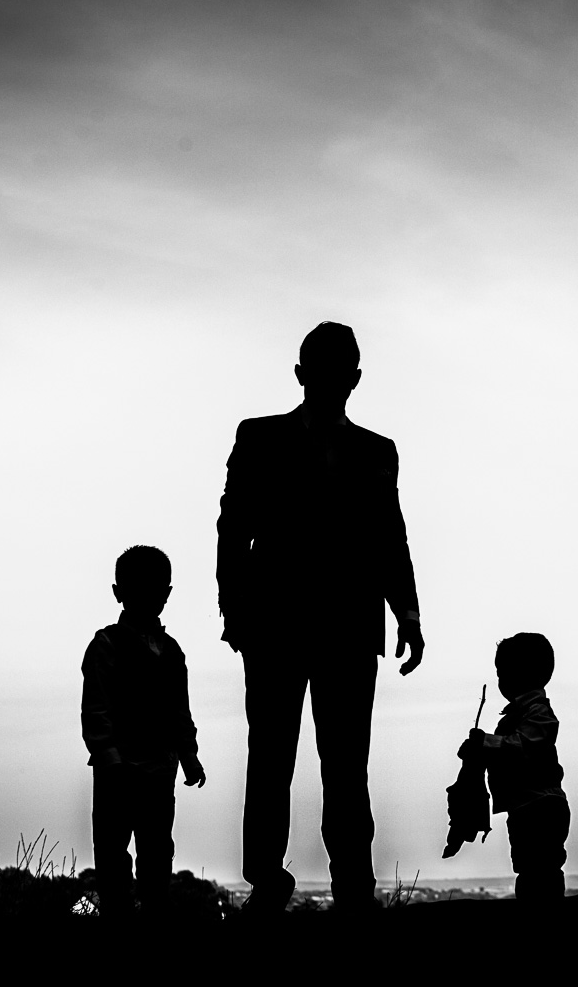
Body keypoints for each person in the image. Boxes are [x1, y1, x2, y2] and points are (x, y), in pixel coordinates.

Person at [217, 321, 424, 912]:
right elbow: (234, 527)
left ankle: (353, 886)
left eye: (341, 371)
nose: (333, 381)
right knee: (272, 758)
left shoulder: (377, 451)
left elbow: (391, 537)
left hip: (349, 627)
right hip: (276, 625)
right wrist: (235, 607)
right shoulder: (258, 438)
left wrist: (406, 612)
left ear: (353, 379)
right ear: (303, 374)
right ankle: (267, 879)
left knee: (345, 763)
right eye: (324, 369)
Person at [81, 545, 206, 921]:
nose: (153, 598)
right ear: (120, 593)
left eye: (159, 590)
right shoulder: (106, 645)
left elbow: (179, 711)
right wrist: (109, 757)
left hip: (158, 770)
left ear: (167, 594)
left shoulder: (171, 652)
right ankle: (118, 915)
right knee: (112, 851)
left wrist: (188, 755)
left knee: (156, 850)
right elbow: (96, 708)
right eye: (142, 590)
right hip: (117, 771)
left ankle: (154, 913)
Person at [458, 632, 569, 902]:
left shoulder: (539, 713)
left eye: (504, 671)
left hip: (541, 806)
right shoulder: (517, 715)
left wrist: (485, 743)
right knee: (528, 868)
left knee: (540, 869)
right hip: (524, 806)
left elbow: (523, 746)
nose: (500, 680)